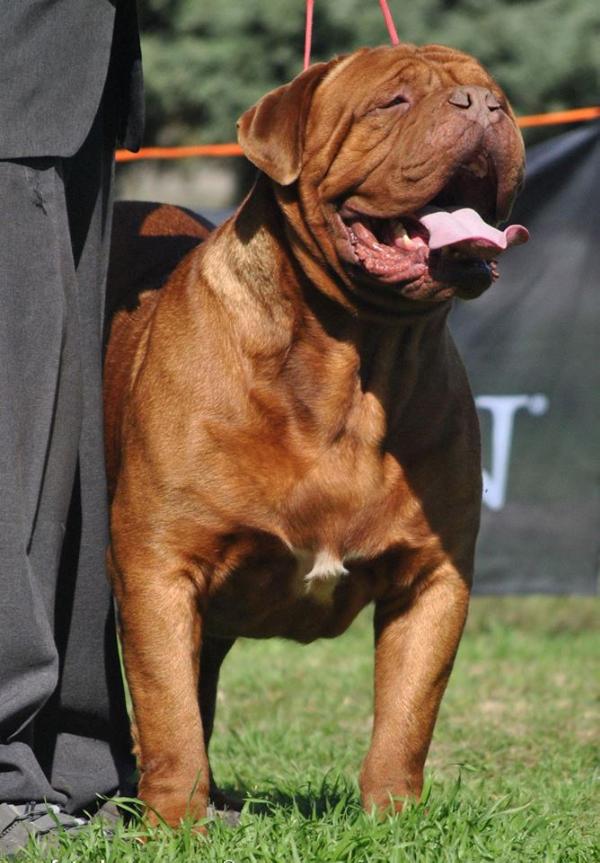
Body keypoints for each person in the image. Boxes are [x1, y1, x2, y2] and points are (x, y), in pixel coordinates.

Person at [0, 1, 144, 855]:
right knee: (11, 446)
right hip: (14, 75)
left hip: (67, 77)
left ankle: (73, 766)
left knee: (65, 451)